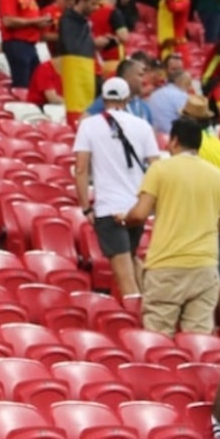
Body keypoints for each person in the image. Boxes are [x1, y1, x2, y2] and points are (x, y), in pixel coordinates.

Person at [118, 117, 220, 337]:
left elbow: (139, 214)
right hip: (205, 267)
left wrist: (124, 218)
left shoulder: (160, 170)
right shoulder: (219, 177)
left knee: (158, 339)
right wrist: (204, 222)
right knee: (198, 341)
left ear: (174, 140)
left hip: (167, 265)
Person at [73, 77, 161, 301]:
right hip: (137, 207)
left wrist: (85, 208)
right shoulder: (142, 126)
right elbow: (156, 168)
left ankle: (143, 324)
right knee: (131, 259)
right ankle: (150, 309)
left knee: (124, 275)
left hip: (109, 207)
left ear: (103, 98)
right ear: (126, 99)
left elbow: (81, 168)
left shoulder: (88, 125)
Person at [0, 0, 50, 89]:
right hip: (17, 43)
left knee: (36, 84)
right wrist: (35, 21)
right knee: (22, 85)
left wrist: (40, 22)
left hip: (30, 44)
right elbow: (8, 21)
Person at [59, 0, 106, 127]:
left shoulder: (84, 22)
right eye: (92, 3)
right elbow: (71, 47)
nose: (95, 8)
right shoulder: (67, 20)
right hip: (76, 74)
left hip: (86, 72)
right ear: (82, 1)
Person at [85, 56, 154, 126]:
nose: (144, 80)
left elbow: (151, 134)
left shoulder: (144, 107)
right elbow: (84, 123)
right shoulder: (108, 100)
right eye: (140, 75)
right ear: (127, 76)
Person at [148, 69, 193, 135]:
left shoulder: (155, 93)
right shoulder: (181, 95)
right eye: (188, 83)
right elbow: (191, 119)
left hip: (154, 134)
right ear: (179, 82)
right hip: (171, 136)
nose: (190, 87)